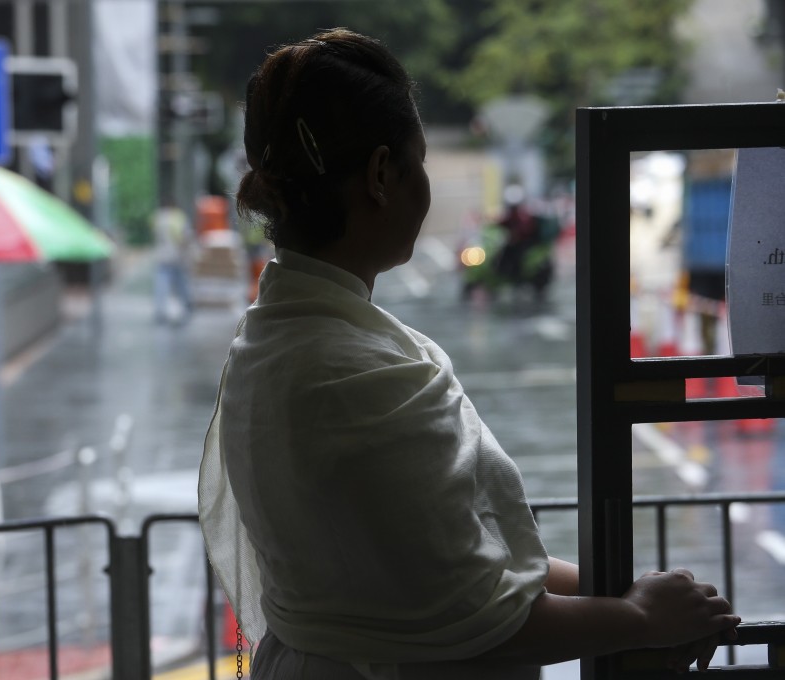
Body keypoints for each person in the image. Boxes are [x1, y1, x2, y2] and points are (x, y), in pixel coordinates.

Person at [198, 29, 740, 679]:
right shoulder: (357, 374)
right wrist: (643, 620)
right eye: (418, 160)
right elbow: (476, 617)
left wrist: (623, 589)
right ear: (379, 175)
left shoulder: (271, 344)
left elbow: (455, 567)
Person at [151, 196, 194, 323]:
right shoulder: (178, 217)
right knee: (181, 283)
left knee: (161, 284)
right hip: (176, 256)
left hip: (162, 256)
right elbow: (184, 237)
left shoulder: (157, 217)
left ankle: (160, 310)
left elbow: (155, 235)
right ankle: (187, 305)